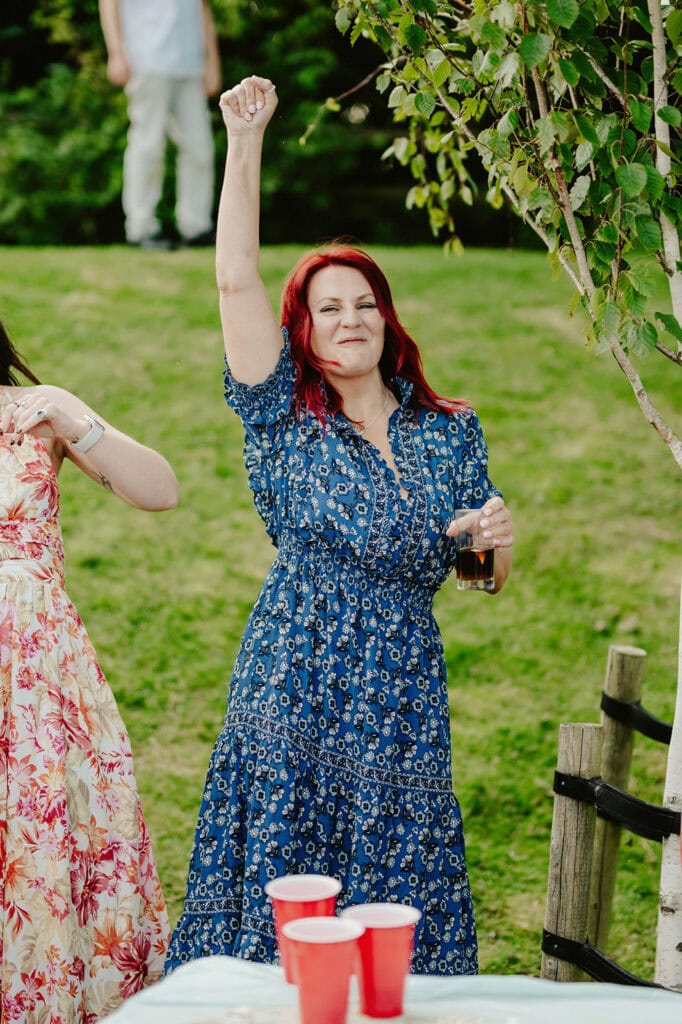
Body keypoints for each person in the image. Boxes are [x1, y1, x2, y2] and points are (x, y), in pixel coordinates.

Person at [165, 75, 513, 977]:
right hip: (297, 670)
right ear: (305, 333)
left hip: (402, 687)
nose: (351, 318)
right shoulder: (282, 414)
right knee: (290, 882)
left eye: (364, 303)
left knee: (394, 893)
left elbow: (479, 576)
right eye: (329, 308)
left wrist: (490, 543)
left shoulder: (450, 429)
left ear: (386, 319)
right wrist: (246, 141)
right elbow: (234, 277)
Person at [0, 319, 178, 1021]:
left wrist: (76, 423)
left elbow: (159, 490)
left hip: (39, 678)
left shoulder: (35, 411)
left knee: (44, 841)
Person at [98, 0, 221, 250]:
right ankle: (141, 227)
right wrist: (116, 53)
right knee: (148, 146)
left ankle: (196, 226)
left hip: (191, 65)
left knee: (199, 148)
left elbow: (202, 9)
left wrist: (212, 62)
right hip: (147, 60)